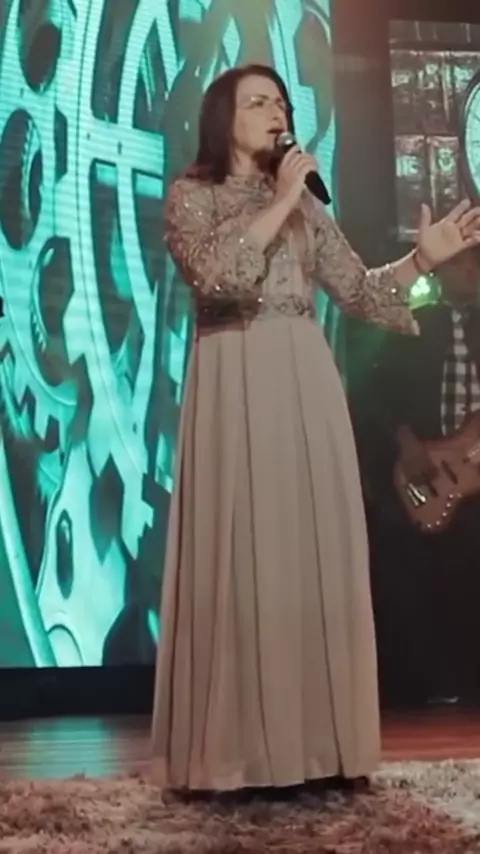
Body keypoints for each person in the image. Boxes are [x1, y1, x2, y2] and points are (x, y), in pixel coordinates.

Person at [151, 63, 480, 793]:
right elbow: (219, 278)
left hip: (304, 378)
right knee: (243, 552)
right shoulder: (192, 196)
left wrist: (422, 262)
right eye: (258, 102)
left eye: (280, 102)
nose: (276, 113)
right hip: (234, 378)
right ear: (224, 118)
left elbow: (361, 292)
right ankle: (234, 753)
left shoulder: (305, 206)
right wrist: (280, 199)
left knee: (309, 552)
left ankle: (315, 751)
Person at [371, 247, 480, 704]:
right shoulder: (414, 323)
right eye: (458, 264)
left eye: (473, 265)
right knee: (428, 581)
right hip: (426, 465)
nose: (468, 272)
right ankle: (429, 683)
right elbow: (377, 388)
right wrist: (407, 441)